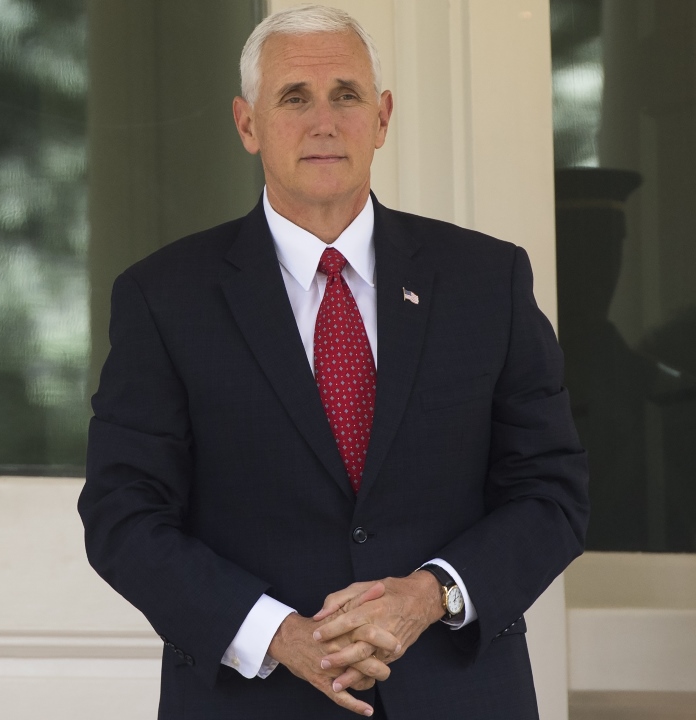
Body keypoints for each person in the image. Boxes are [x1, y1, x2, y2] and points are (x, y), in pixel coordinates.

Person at [78, 5, 589, 719]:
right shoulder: (165, 297)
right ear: (247, 124)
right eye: (294, 98)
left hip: (460, 696)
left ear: (382, 118)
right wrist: (281, 635)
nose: (324, 122)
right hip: (255, 700)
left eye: (346, 95)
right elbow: (123, 514)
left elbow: (551, 491)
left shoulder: (486, 280)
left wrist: (430, 594)